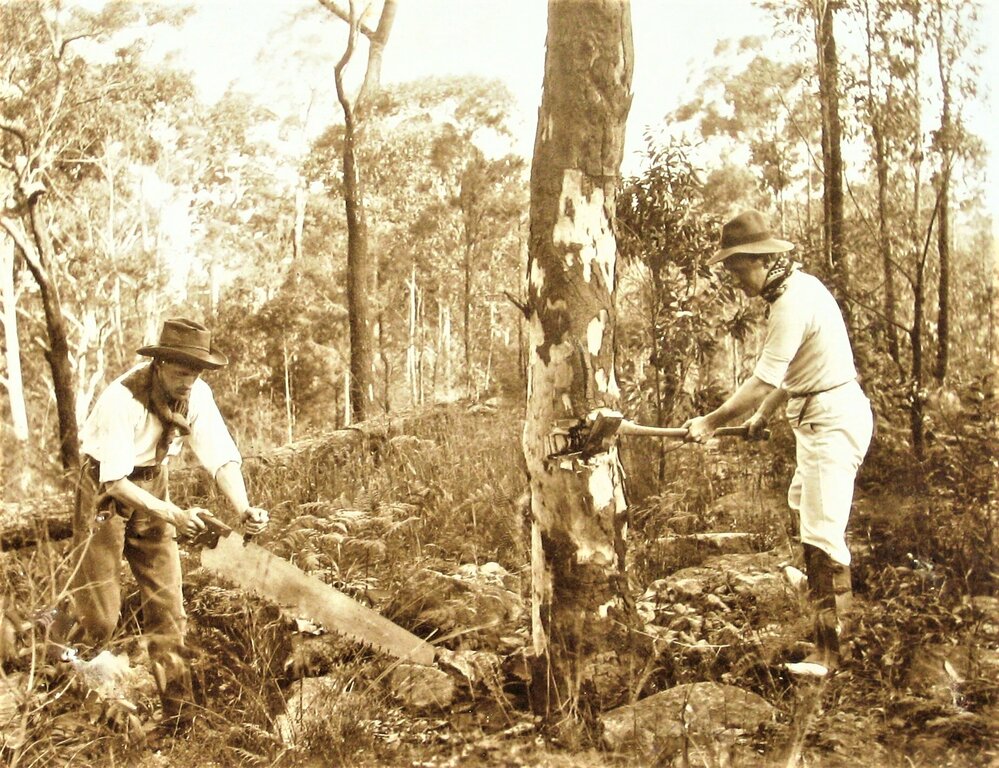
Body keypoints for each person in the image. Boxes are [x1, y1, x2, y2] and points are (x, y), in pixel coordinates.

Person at [684, 210, 873, 677]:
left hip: (833, 421)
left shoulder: (791, 302)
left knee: (821, 535)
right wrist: (764, 415)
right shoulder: (796, 288)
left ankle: (829, 654)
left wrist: (710, 421)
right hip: (816, 418)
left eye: (735, 268)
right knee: (803, 509)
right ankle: (826, 595)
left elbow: (761, 379)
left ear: (758, 259)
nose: (733, 277)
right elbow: (792, 373)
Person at [66, 317, 269, 729]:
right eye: (180, 373)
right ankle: (59, 670)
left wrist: (243, 507)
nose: (188, 382)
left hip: (153, 483)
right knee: (98, 618)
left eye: (194, 374)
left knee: (169, 611)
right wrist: (174, 513)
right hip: (105, 490)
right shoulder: (121, 399)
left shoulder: (196, 393)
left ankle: (181, 722)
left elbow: (220, 454)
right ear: (159, 366)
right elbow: (115, 481)